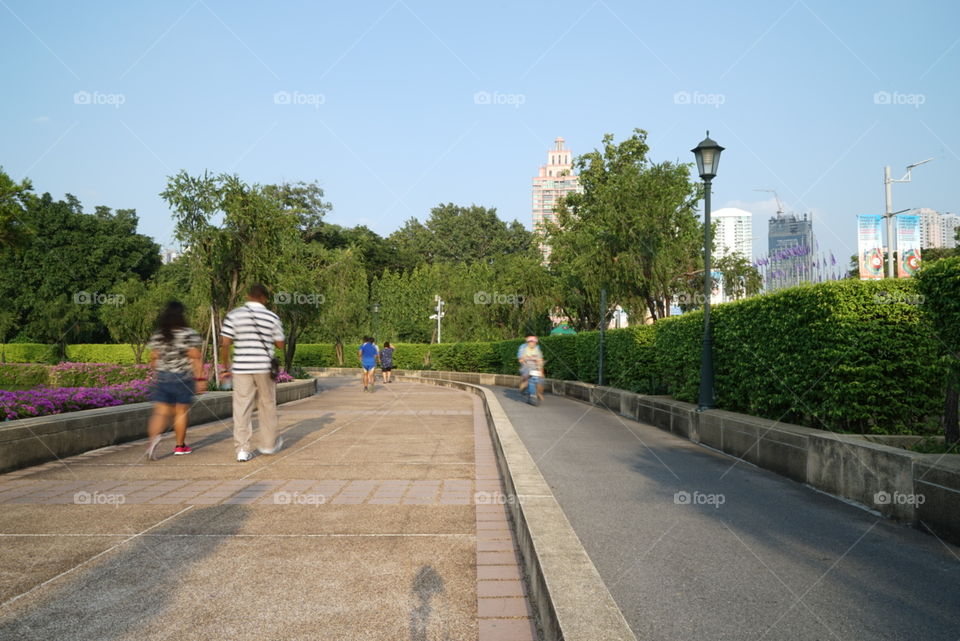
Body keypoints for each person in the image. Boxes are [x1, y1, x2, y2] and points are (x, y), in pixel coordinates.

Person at [220, 284, 285, 463]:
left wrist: (225, 367)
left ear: (248, 296)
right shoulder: (272, 317)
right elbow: (280, 344)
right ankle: (268, 444)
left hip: (241, 367)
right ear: (264, 298)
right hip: (264, 366)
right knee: (267, 404)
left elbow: (225, 343)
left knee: (242, 408)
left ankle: (242, 449)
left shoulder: (234, 315)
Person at [145, 301, 206, 459]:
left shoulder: (159, 334)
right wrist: (200, 378)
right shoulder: (187, 333)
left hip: (163, 376)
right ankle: (180, 446)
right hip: (182, 377)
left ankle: (153, 441)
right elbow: (195, 357)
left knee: (160, 412)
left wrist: (157, 371)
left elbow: (153, 357)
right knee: (180, 412)